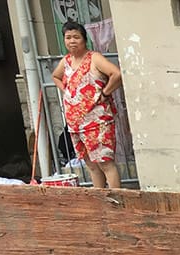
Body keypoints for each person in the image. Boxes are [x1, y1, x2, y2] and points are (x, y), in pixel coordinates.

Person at [51, 21, 122, 189]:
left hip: (97, 121)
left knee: (105, 163)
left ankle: (117, 201)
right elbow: (56, 76)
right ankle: (100, 200)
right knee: (91, 164)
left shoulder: (94, 58)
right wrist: (67, 91)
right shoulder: (66, 61)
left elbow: (116, 74)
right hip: (76, 124)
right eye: (68, 37)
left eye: (76, 37)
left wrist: (105, 93)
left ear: (84, 39)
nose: (72, 41)